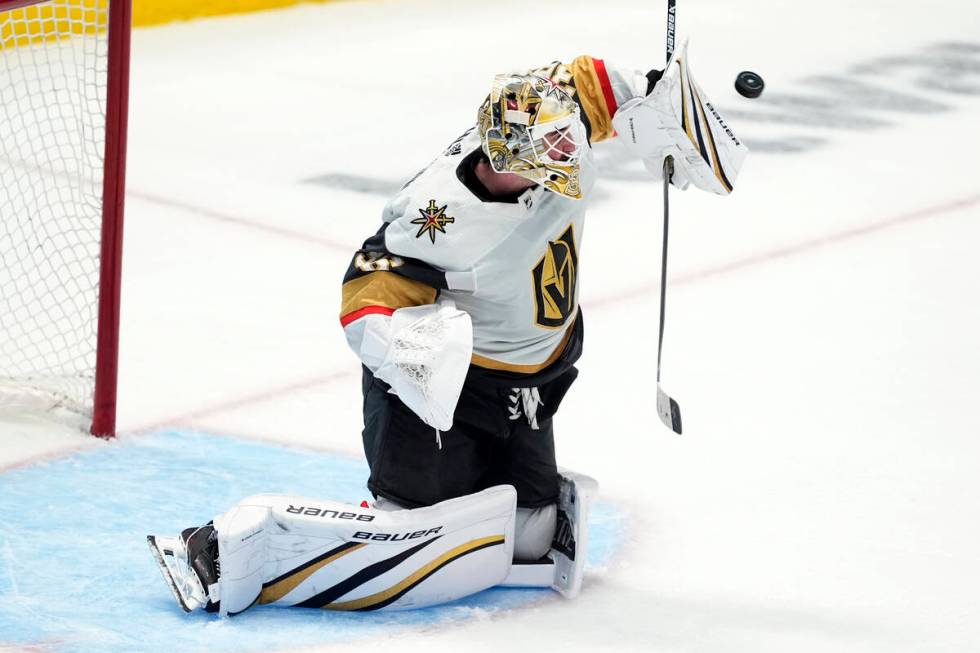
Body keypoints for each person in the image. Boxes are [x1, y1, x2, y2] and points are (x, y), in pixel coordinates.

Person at [147, 41, 747, 617]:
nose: (567, 163)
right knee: (411, 520)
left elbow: (599, 82)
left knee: (532, 539)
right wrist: (414, 359)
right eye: (550, 160)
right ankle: (231, 549)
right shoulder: (437, 219)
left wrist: (663, 106)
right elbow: (366, 293)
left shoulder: (541, 114)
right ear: (503, 160)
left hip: (533, 381)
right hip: (456, 385)